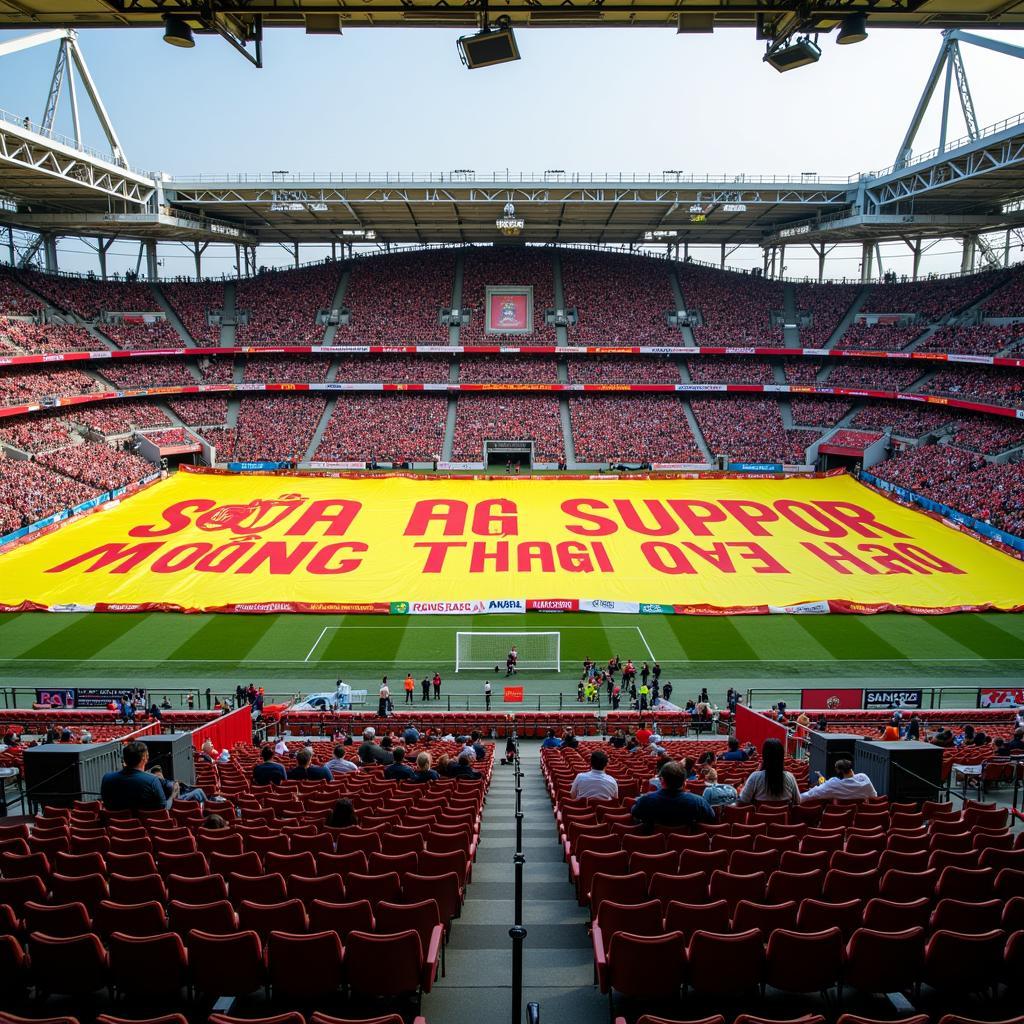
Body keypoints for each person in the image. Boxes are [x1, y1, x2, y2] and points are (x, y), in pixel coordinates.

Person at [631, 761, 716, 830]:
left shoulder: (646, 800)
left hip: (654, 847)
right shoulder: (698, 802)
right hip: (687, 846)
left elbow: (635, 812)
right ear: (684, 782)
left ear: (661, 781)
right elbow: (711, 817)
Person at [100, 741, 169, 811]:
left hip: (114, 821)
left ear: (124, 759)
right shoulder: (152, 780)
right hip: (145, 821)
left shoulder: (107, 778)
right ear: (145, 758)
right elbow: (162, 808)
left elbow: (106, 804)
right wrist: (173, 795)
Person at [738, 738, 800, 805]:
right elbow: (797, 801)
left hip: (759, 815)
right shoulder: (790, 777)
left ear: (764, 755)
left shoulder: (755, 777)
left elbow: (743, 800)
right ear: (781, 756)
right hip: (785, 815)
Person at [801, 759, 878, 801]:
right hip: (859, 819)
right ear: (851, 769)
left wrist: (799, 797)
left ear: (839, 772)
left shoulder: (834, 783)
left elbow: (817, 791)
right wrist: (821, 777)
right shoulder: (863, 778)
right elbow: (874, 795)